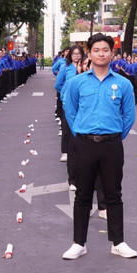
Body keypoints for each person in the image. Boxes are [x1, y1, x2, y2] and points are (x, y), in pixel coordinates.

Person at [61, 33, 137, 260]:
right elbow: (70, 110)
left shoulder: (123, 83)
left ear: (112, 53)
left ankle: (118, 242)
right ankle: (78, 243)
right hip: (84, 144)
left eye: (105, 50)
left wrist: (113, 137)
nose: (101, 53)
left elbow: (129, 116)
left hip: (112, 145)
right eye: (96, 50)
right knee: (82, 195)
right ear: (89, 54)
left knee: (113, 193)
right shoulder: (77, 82)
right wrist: (81, 134)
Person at [56, 45, 84, 186]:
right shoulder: (65, 68)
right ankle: (65, 152)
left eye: (79, 54)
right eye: (74, 53)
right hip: (69, 105)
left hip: (84, 107)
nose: (77, 56)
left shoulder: (86, 68)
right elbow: (58, 84)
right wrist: (65, 94)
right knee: (68, 131)